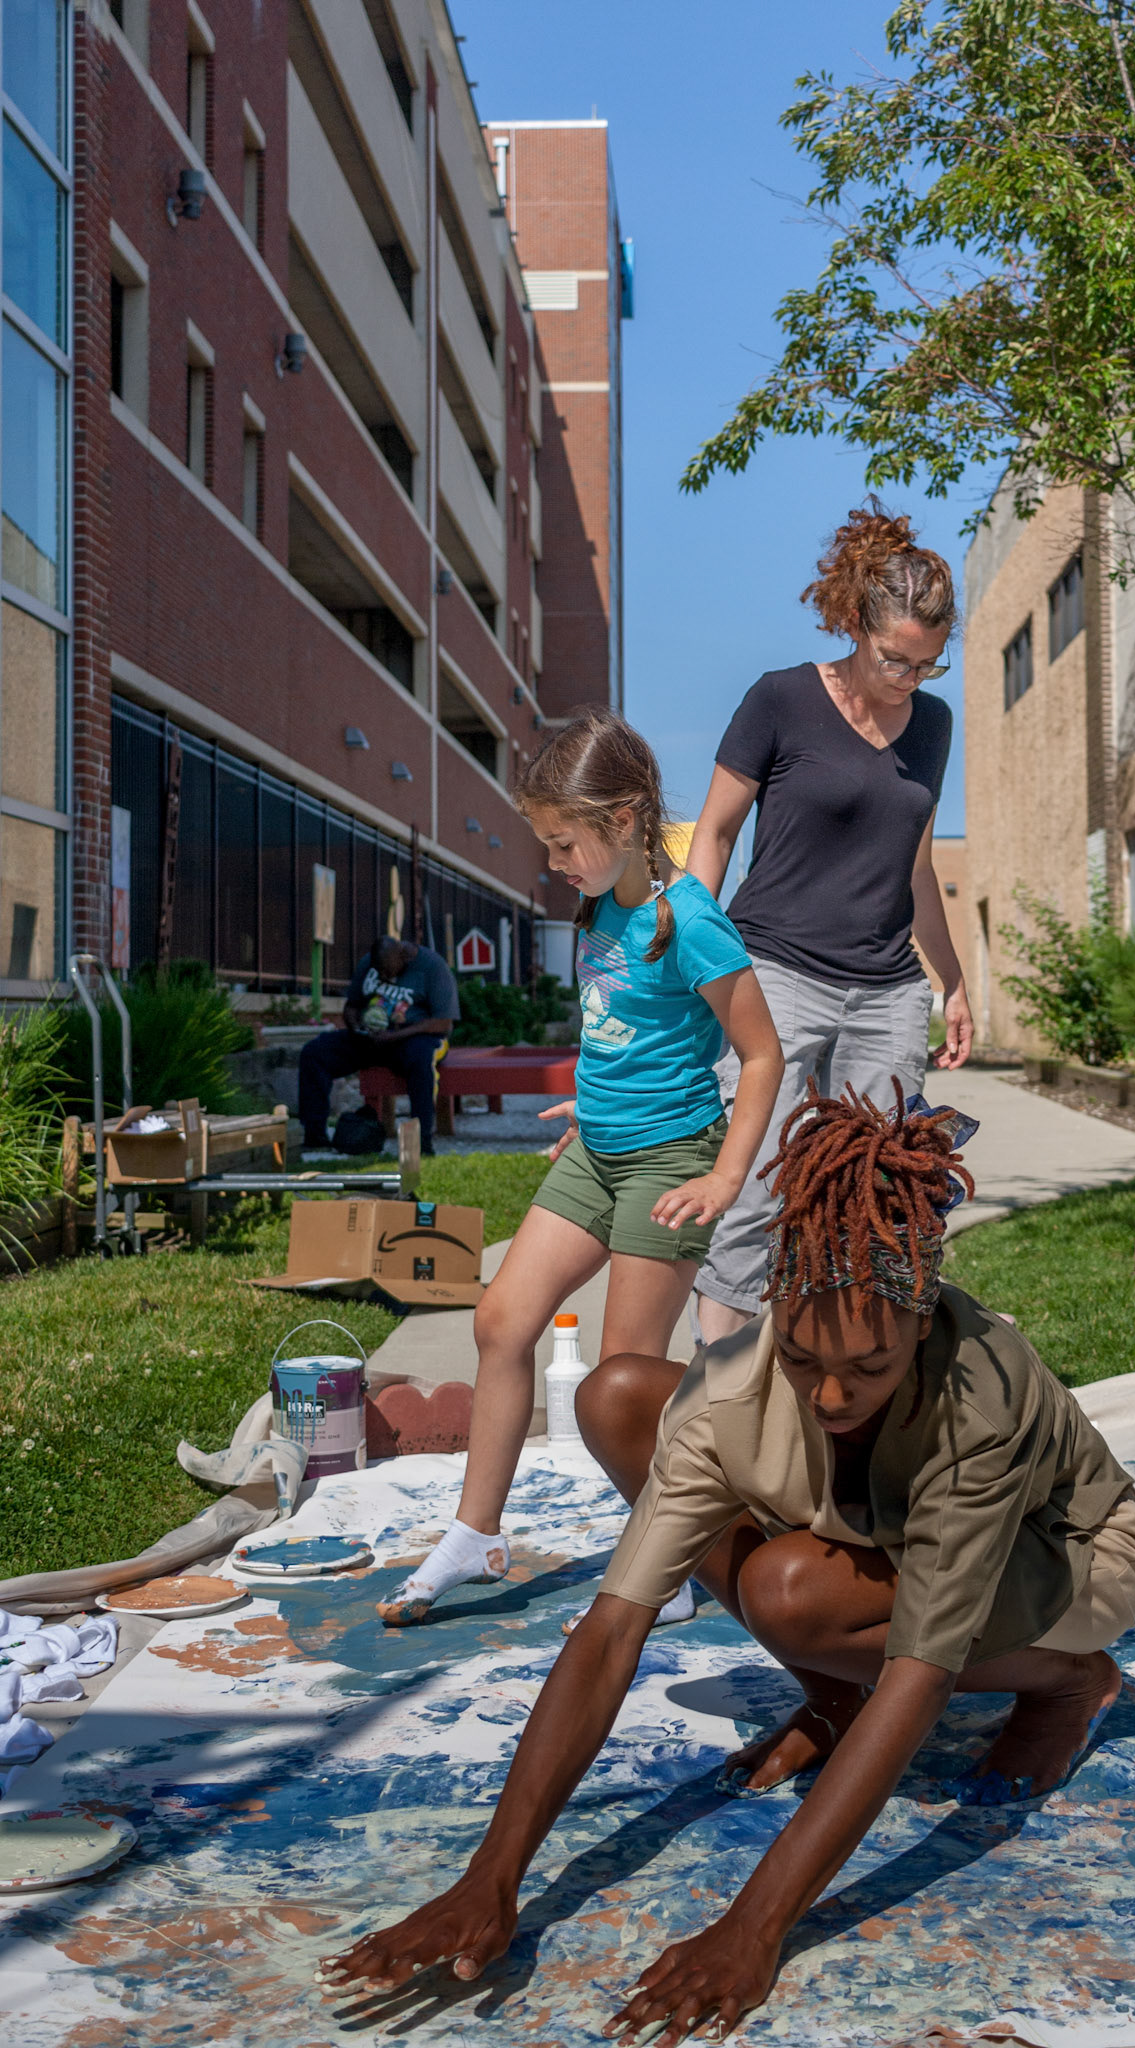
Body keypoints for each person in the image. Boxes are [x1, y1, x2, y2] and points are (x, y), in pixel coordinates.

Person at [323, 1084, 1135, 2041]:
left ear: (920, 1326)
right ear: (772, 1311)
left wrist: (753, 1928)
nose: (833, 1394)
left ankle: (1067, 1683)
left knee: (791, 1596)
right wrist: (490, 1877)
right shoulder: (735, 1391)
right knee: (622, 1396)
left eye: (870, 1368)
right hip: (876, 1529)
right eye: (802, 1359)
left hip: (1062, 1554)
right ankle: (834, 1693)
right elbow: (610, 1633)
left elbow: (919, 1676)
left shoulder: (980, 1400)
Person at [376, 708, 783, 1625]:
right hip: (594, 1153)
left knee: (619, 1382)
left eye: (564, 842)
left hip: (672, 1163)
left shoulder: (691, 922)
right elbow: (621, 1034)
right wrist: (590, 1107)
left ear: (627, 817)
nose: (554, 862)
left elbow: (761, 1055)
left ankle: (668, 1566)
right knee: (499, 1320)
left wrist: (724, 1179)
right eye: (547, 843)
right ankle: (477, 1534)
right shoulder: (598, 905)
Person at [689, 499, 975, 1348]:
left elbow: (917, 865)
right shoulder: (780, 701)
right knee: (758, 1188)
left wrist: (951, 982)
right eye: (894, 659)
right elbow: (712, 834)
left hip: (887, 990)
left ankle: (848, 1379)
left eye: (926, 665)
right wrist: (689, 950)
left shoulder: (931, 724)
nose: (907, 680)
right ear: (854, 622)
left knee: (880, 1194)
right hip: (773, 973)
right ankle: (719, 1388)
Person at [297, 933, 457, 1158]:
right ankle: (315, 1138)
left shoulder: (433, 967)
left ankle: (421, 1144)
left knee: (421, 1060)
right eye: (379, 971)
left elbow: (443, 1023)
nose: (383, 975)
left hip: (416, 1037)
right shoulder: (370, 963)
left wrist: (394, 1036)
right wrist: (356, 1028)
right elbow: (351, 1006)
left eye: (388, 971)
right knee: (315, 1053)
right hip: (372, 1039)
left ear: (404, 957)